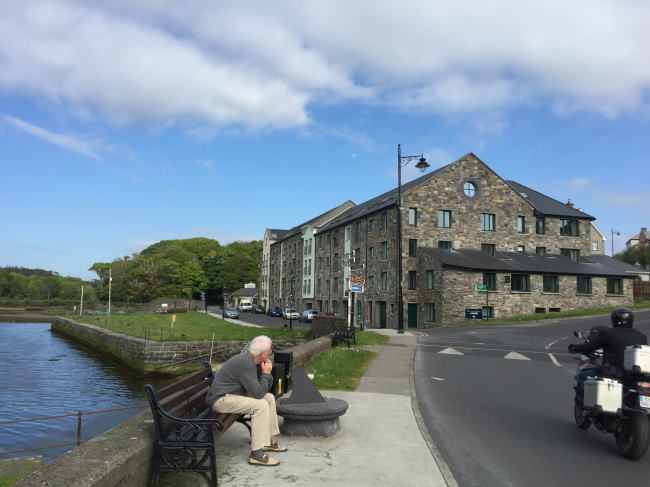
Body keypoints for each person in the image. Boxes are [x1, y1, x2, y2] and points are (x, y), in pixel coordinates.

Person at [206, 335, 287, 466]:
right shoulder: (246, 364)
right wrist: (266, 374)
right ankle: (256, 455)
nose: (271, 353)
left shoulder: (253, 361)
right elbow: (258, 393)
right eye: (270, 351)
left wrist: (266, 374)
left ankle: (265, 441)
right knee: (261, 405)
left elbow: (261, 390)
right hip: (221, 399)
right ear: (263, 353)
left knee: (269, 398)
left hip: (233, 395)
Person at [568, 307, 648, 396]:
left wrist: (575, 347)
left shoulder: (608, 333)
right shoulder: (642, 336)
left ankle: (582, 402)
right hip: (635, 375)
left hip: (613, 373)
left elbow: (589, 346)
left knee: (584, 374)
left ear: (614, 320)